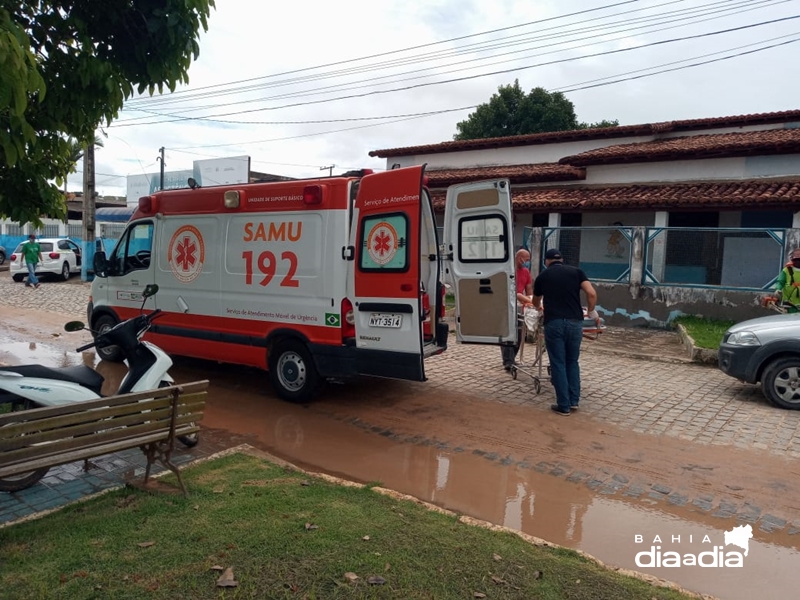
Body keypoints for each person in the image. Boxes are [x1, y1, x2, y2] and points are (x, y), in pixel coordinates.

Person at [532, 248, 598, 416]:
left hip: (554, 323)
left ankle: (563, 405)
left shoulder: (543, 276)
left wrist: (539, 308)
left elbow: (535, 300)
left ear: (547, 261)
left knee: (558, 363)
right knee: (572, 361)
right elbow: (591, 293)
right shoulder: (577, 272)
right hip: (575, 323)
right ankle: (574, 401)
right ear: (561, 259)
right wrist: (591, 311)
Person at [502, 248, 534, 371]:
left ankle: (512, 359)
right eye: (526, 259)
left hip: (520, 305)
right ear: (519, 258)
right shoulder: (509, 270)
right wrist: (521, 296)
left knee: (519, 334)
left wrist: (530, 300)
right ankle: (508, 362)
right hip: (507, 304)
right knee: (509, 334)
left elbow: (529, 289)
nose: (527, 262)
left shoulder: (526, 272)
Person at [773, 248, 800, 312]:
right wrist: (778, 289)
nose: (798, 257)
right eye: (797, 255)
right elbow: (780, 282)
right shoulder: (787, 270)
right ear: (792, 257)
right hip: (789, 304)